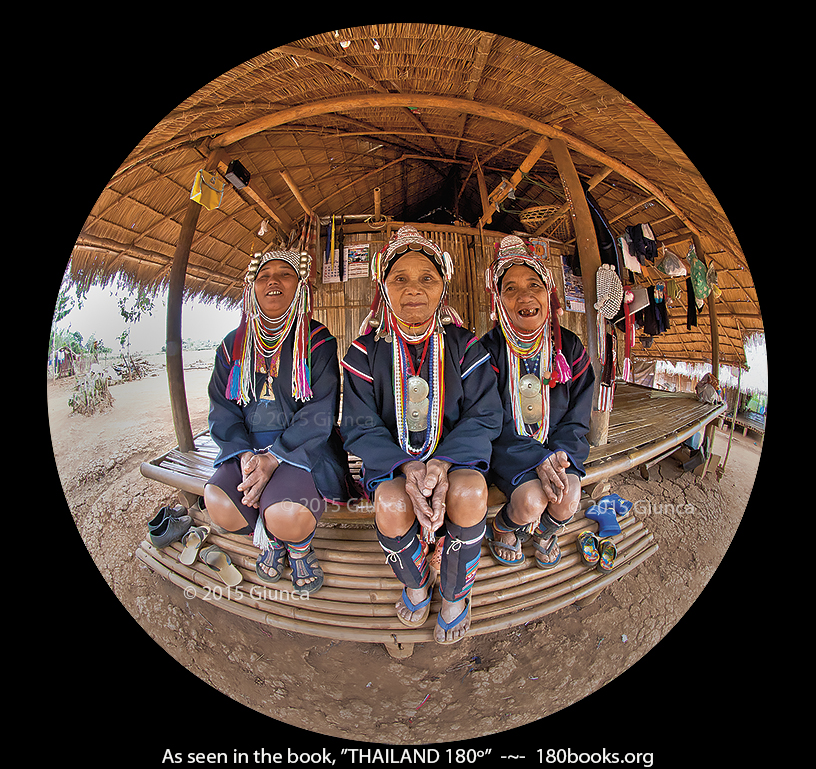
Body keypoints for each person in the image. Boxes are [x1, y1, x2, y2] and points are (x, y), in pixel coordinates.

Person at [340, 227, 502, 644]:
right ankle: (417, 583)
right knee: (392, 501)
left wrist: (444, 463)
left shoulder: (466, 347)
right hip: (393, 462)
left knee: (468, 494)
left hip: (457, 460)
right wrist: (408, 464)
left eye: (427, 278)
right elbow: (358, 423)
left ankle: (454, 594)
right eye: (400, 279)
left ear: (442, 288)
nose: (413, 289)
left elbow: (485, 414)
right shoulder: (363, 351)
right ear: (384, 287)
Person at [204, 249, 355, 595]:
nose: (273, 281)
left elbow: (321, 408)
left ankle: (297, 545)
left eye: (284, 274)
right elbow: (221, 408)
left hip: (304, 447)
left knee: (287, 514)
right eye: (263, 276)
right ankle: (272, 538)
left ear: (299, 286)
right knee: (219, 502)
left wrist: (275, 458)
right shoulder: (232, 346)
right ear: (252, 289)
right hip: (247, 447)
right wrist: (244, 455)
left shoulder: (317, 341)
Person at [481, 236, 594, 569]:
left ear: (549, 293)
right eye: (511, 288)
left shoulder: (568, 348)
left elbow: (577, 416)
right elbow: (487, 418)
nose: (525, 296)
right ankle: (502, 527)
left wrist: (559, 455)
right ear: (499, 300)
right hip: (508, 451)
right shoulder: (487, 350)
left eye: (534, 284)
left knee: (568, 496)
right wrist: (534, 457)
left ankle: (546, 531)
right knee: (531, 499)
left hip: (560, 448)